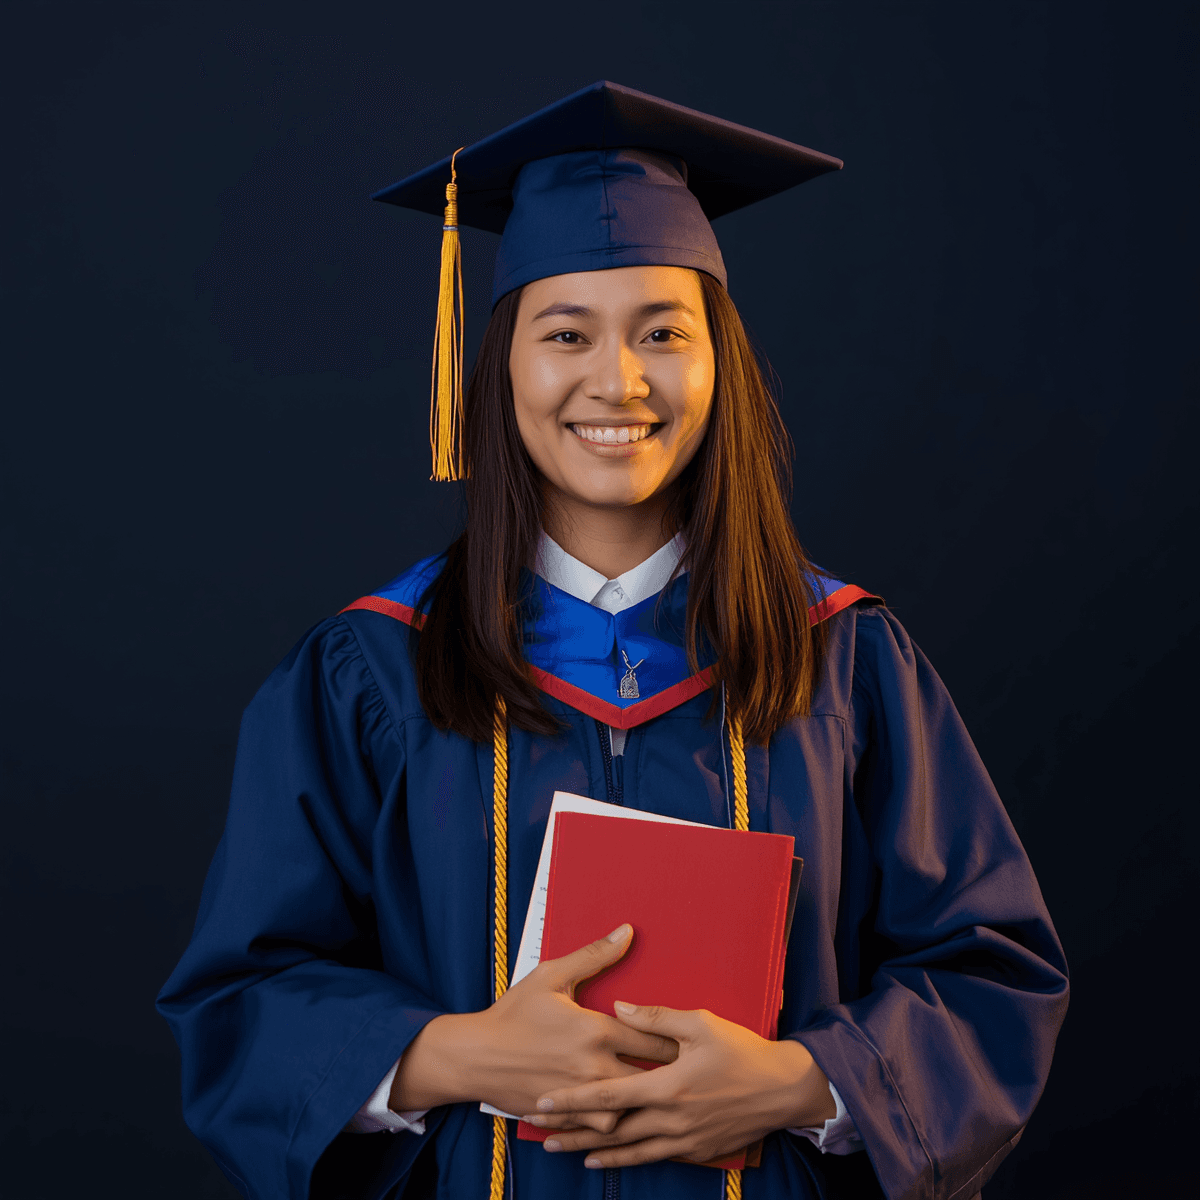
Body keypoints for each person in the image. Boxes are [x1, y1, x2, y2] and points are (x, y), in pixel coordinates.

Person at [158, 82, 1068, 1200]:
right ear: (502, 364)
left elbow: (993, 975)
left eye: (663, 333)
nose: (618, 380)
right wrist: (455, 1055)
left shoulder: (845, 659)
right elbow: (239, 1002)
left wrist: (801, 1083)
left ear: (720, 361)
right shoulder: (374, 670)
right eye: (566, 334)